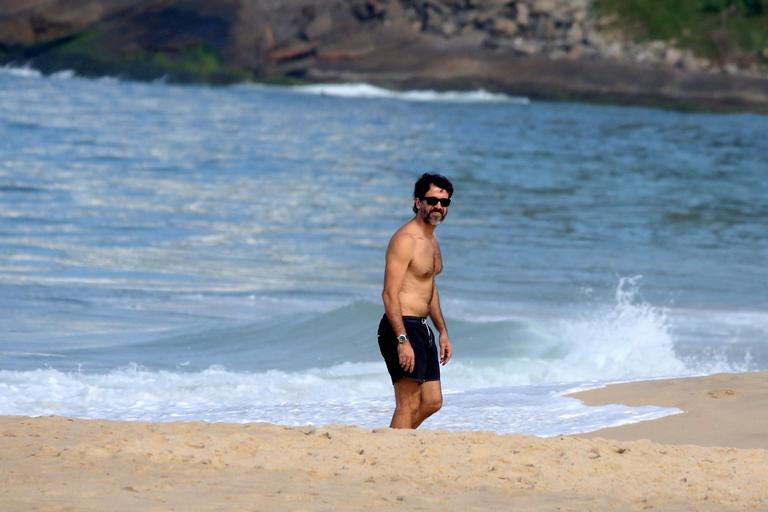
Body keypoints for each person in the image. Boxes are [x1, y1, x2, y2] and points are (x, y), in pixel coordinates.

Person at [378, 173, 454, 429]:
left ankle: (395, 439)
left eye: (444, 202)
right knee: (408, 403)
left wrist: (442, 330)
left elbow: (429, 289)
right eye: (432, 200)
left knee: (433, 401)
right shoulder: (405, 240)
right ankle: (393, 450)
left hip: (422, 327)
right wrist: (402, 339)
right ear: (418, 201)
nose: (438, 207)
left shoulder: (432, 240)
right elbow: (389, 293)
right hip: (401, 326)